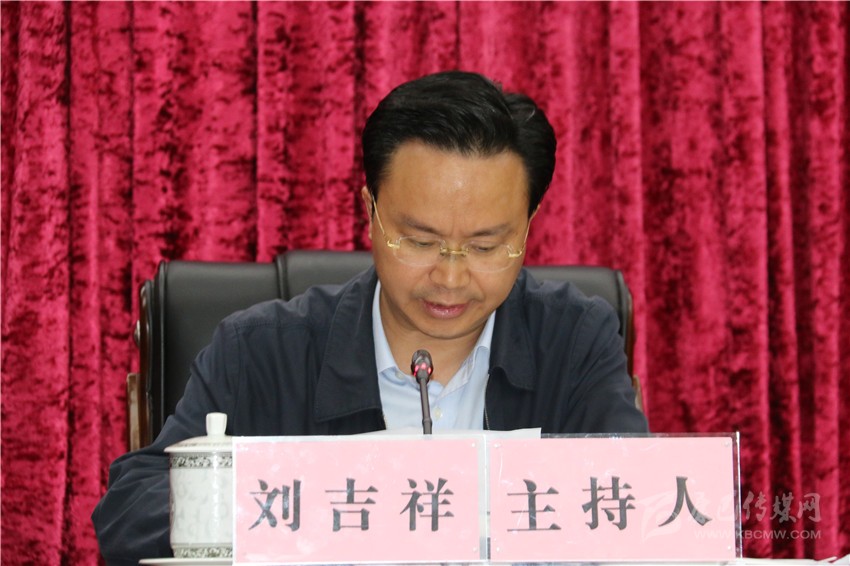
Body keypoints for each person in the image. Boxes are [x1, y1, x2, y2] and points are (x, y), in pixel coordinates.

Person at [92, 70, 648, 564]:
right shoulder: (261, 351)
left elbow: (640, 508)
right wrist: (316, 503)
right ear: (370, 212)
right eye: (420, 241)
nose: (451, 277)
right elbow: (132, 510)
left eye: (486, 246)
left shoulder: (574, 341)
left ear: (528, 224)